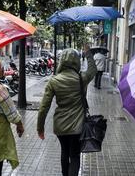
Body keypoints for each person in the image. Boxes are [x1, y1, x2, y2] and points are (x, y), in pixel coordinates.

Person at [37, 45, 97, 176]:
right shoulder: (82, 78)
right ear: (76, 61)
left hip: (60, 125)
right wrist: (88, 53)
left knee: (64, 152)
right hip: (78, 124)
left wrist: (40, 128)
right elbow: (93, 70)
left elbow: (43, 107)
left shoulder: (54, 81)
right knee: (74, 155)